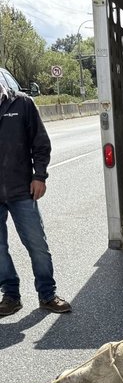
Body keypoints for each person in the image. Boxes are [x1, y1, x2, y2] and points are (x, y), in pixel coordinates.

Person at [0, 77, 71, 316]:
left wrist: (39, 176)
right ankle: (11, 296)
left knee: (37, 245)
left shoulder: (22, 104)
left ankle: (47, 295)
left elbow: (41, 144)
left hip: (21, 190)